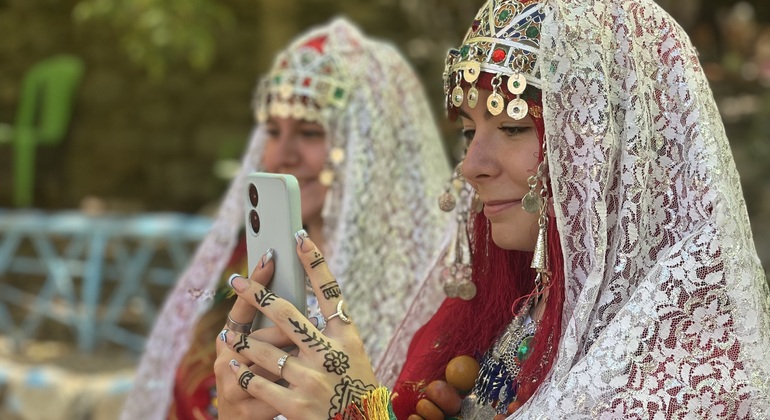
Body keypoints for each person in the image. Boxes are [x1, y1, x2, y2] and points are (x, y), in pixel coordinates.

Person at [213, 0, 770, 418]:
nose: (473, 164)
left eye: (512, 126)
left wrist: (358, 410)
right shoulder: (518, 310)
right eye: (467, 130)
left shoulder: (694, 367)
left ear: (611, 151)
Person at [121, 17, 452, 420]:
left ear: (374, 148)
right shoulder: (247, 268)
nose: (281, 156)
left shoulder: (436, 292)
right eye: (273, 132)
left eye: (311, 132)